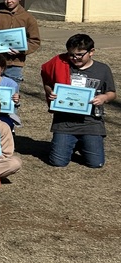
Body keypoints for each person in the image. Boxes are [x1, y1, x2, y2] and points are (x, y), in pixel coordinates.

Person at [40, 33, 116, 168]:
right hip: (64, 121)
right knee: (58, 162)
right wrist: (50, 92)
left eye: (80, 54)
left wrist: (104, 97)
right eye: (71, 54)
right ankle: (69, 142)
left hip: (91, 121)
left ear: (91, 51)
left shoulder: (102, 69)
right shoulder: (61, 64)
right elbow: (48, 82)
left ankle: (83, 142)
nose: (75, 58)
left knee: (95, 163)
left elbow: (112, 93)